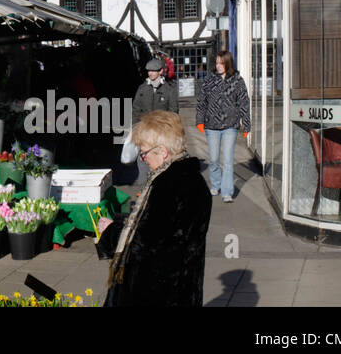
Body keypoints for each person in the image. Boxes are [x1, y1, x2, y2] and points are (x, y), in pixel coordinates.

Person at [103, 110, 211, 307]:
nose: (143, 159)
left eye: (144, 153)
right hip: (182, 289)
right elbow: (159, 229)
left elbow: (146, 243)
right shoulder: (194, 180)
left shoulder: (167, 185)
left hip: (156, 292)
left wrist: (109, 232)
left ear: (162, 151)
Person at [196, 50, 250, 203]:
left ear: (228, 63)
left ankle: (227, 192)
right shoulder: (209, 80)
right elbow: (201, 102)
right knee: (213, 159)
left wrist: (246, 125)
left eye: (222, 63)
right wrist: (200, 120)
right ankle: (216, 183)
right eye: (217, 63)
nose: (218, 66)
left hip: (230, 126)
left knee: (227, 160)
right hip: (211, 125)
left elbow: (244, 103)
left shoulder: (237, 80)